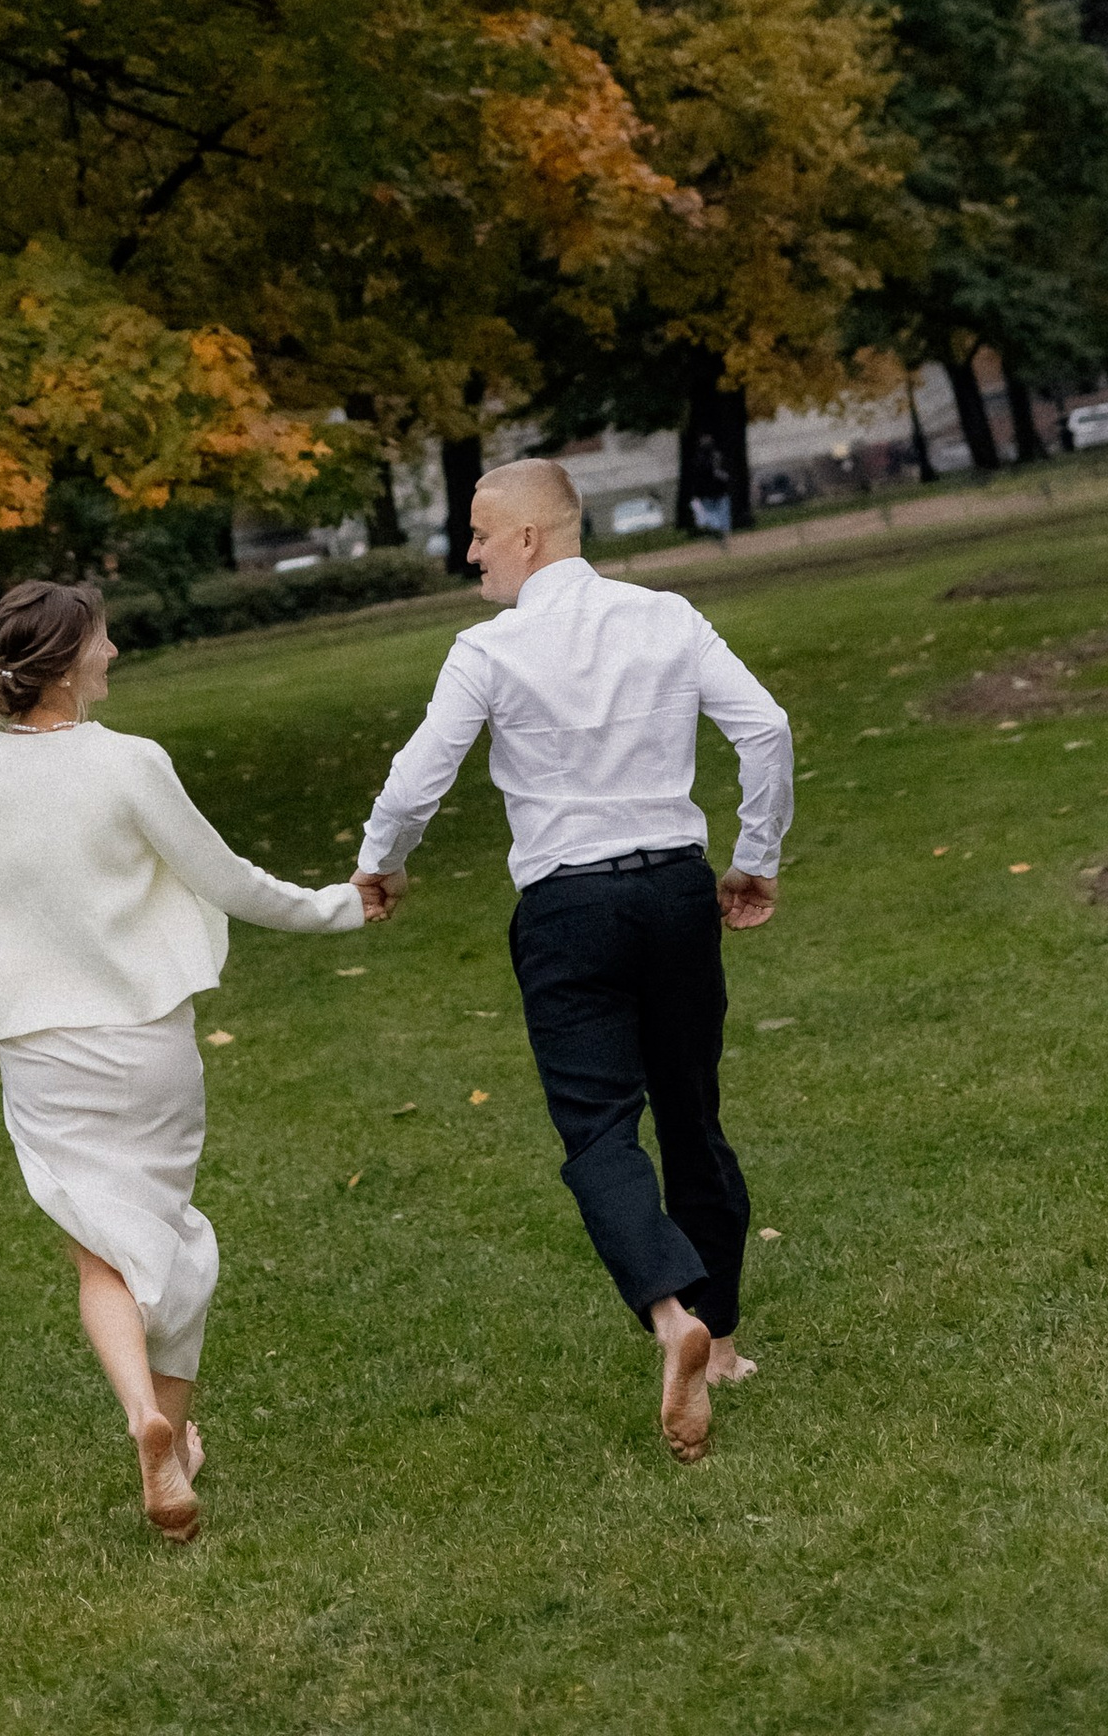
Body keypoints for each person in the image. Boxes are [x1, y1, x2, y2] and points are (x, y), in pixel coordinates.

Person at [0, 578, 369, 1543]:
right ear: (69, 663)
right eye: (104, 641)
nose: (113, 654)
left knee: (99, 1249)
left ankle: (142, 1421)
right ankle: (172, 1428)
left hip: (39, 1048)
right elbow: (228, 881)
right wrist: (345, 903)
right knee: (171, 1238)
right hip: (148, 1039)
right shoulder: (131, 764)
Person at [351, 457, 793, 1464]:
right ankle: (717, 1338)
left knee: (599, 1132)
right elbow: (763, 728)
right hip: (677, 891)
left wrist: (380, 862)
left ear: (528, 540)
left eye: (476, 534)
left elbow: (421, 773)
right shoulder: (666, 616)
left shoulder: (486, 649)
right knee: (692, 1114)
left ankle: (668, 1313)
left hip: (566, 909)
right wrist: (753, 859)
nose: (466, 554)